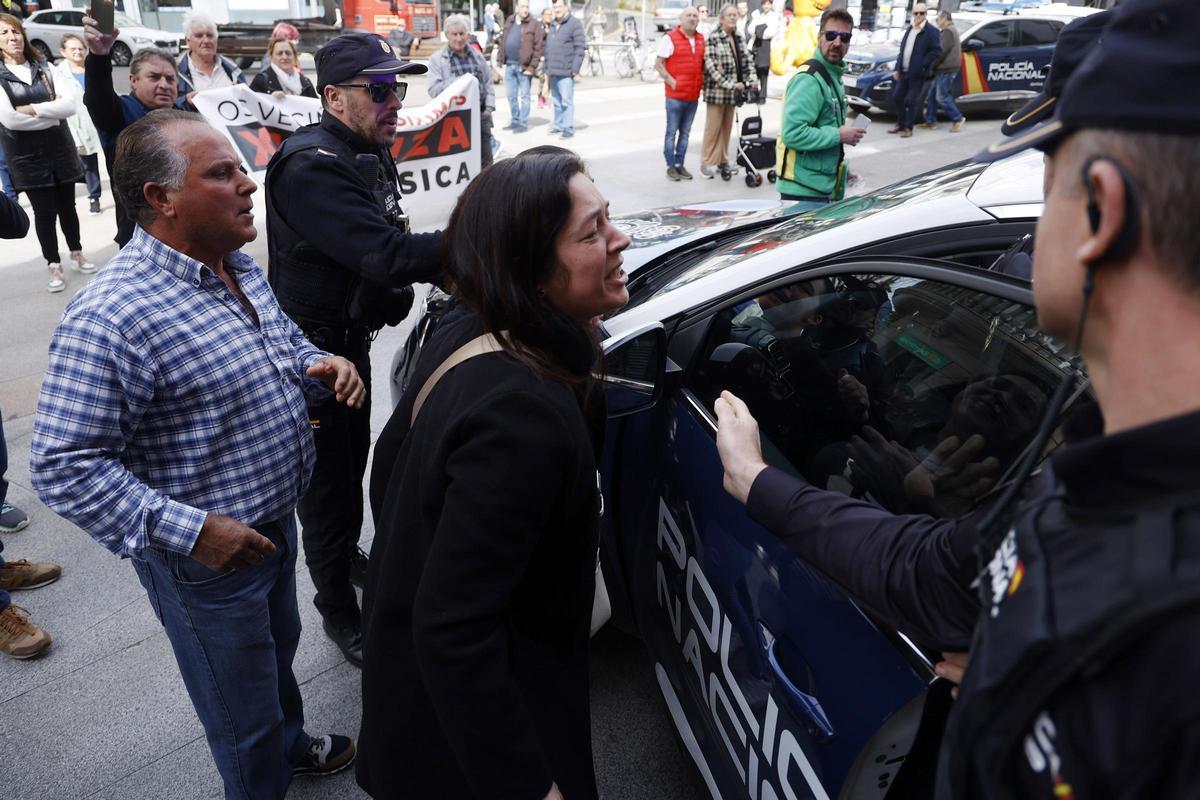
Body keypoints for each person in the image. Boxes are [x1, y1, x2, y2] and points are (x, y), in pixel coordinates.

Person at [715, 1, 1200, 795]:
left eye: (1047, 176)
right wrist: (760, 482)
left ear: (1101, 213)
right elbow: (935, 572)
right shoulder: (1103, 465)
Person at [30, 108, 363, 797]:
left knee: (273, 657)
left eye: (241, 168)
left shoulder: (235, 262)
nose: (248, 185)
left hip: (271, 526)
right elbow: (63, 466)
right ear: (161, 198)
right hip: (205, 560)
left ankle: (291, 743)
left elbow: (279, 346)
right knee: (238, 709)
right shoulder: (113, 316)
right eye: (222, 173)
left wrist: (318, 362)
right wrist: (198, 532)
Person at [357, 145, 630, 800]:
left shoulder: (479, 328)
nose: (619, 239)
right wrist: (529, 784)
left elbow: (388, 471)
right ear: (533, 270)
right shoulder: (519, 414)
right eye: (591, 232)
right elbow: (453, 627)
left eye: (609, 218)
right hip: (462, 753)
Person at [265, 32, 442, 669]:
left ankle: (345, 561)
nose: (395, 102)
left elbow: (386, 243)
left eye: (399, 88)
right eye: (381, 90)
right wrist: (481, 238)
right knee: (329, 488)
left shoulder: (363, 148)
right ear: (334, 97)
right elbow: (388, 253)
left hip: (350, 347)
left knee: (352, 464)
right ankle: (338, 607)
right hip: (315, 361)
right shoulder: (313, 165)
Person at [0, 13, 96, 293]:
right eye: (4, 33)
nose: (12, 38)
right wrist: (50, 112)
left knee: (69, 207)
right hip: (26, 158)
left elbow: (68, 107)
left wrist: (33, 109)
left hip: (60, 151)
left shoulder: (45, 68)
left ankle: (76, 251)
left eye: (15, 32)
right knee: (44, 213)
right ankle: (53, 263)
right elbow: (9, 120)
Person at [82, 13, 182, 247]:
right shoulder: (119, 113)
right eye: (154, 77)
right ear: (133, 80)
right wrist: (98, 55)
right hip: (142, 236)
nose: (164, 84)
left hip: (190, 229)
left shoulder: (187, 115)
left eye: (170, 79)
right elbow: (98, 97)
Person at [775, 7, 863, 210]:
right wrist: (839, 135)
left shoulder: (832, 76)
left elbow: (825, 127)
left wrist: (842, 172)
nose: (837, 43)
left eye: (845, 37)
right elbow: (793, 134)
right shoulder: (809, 80)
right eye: (831, 35)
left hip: (819, 188)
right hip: (802, 192)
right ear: (819, 36)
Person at [428, 14, 495, 167]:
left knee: (486, 163)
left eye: (461, 33)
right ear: (447, 36)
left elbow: (488, 83)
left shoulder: (477, 56)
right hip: (453, 120)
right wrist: (461, 81)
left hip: (480, 116)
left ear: (467, 34)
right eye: (454, 34)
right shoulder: (437, 59)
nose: (459, 38)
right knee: (458, 164)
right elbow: (433, 90)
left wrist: (489, 109)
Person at [699, 4, 756, 178]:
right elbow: (712, 69)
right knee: (713, 129)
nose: (733, 18)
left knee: (726, 129)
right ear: (721, 18)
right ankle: (706, 163)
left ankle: (723, 161)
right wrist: (733, 84)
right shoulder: (714, 38)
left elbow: (747, 61)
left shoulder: (738, 37)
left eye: (734, 15)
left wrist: (752, 78)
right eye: (729, 15)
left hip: (733, 94)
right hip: (717, 93)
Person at [53, 34, 104, 216]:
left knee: (113, 158)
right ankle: (94, 197)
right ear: (63, 52)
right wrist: (72, 135)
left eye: (80, 48)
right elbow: (60, 106)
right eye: (72, 49)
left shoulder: (93, 67)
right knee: (88, 164)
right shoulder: (58, 75)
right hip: (78, 127)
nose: (77, 52)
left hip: (101, 122)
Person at [655, 5, 703, 181]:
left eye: (695, 16)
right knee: (671, 132)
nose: (692, 18)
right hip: (675, 97)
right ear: (681, 19)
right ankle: (670, 165)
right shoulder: (670, 38)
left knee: (685, 133)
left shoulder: (701, 39)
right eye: (688, 15)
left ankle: (680, 164)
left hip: (693, 96)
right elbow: (658, 64)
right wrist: (672, 81)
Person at [888, 2, 939, 138]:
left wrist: (923, 64)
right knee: (897, 97)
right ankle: (900, 123)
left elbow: (936, 51)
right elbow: (902, 50)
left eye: (921, 13)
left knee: (911, 100)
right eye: (916, 13)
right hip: (904, 71)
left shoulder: (931, 31)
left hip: (918, 73)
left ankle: (908, 127)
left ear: (925, 14)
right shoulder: (910, 29)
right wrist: (897, 68)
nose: (918, 16)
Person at [175, 12, 246, 108]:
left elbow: (248, 103)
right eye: (199, 36)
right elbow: (165, 106)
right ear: (188, 41)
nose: (206, 41)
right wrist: (185, 102)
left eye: (210, 35)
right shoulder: (175, 71)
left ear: (216, 40)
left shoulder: (233, 70)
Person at [496, 0, 543, 133]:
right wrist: (500, 61)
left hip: (524, 67)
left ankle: (523, 123)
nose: (525, 9)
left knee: (525, 97)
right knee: (511, 96)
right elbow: (503, 41)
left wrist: (532, 67)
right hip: (510, 65)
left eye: (527, 6)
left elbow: (538, 47)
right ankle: (515, 120)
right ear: (517, 8)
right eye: (523, 6)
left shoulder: (533, 24)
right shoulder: (510, 20)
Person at [545, 0, 585, 139]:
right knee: (556, 101)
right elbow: (548, 47)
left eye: (560, 6)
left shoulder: (574, 23)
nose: (557, 9)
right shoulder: (553, 24)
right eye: (555, 7)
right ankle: (558, 125)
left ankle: (568, 127)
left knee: (566, 101)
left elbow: (580, 47)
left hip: (566, 71)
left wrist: (575, 68)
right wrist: (547, 68)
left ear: (566, 7)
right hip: (553, 70)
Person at [919, 10, 963, 132]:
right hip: (943, 69)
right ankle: (930, 121)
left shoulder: (948, 31)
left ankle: (957, 118)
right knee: (932, 95)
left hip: (946, 68)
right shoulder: (950, 29)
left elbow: (941, 51)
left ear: (944, 18)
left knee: (942, 96)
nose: (937, 21)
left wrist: (931, 65)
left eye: (938, 19)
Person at [250, 36, 317, 98]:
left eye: (288, 53)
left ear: (294, 56)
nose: (284, 57)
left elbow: (317, 107)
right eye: (280, 53)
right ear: (271, 57)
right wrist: (270, 99)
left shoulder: (306, 82)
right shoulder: (261, 80)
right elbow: (249, 105)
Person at [746, 0, 780, 101]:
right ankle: (754, 94)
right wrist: (761, 28)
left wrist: (758, 30)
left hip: (766, 45)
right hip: (756, 44)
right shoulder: (758, 16)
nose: (766, 6)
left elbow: (771, 32)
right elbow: (751, 29)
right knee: (754, 70)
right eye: (764, 4)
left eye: (768, 4)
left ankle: (762, 95)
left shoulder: (773, 17)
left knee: (764, 71)